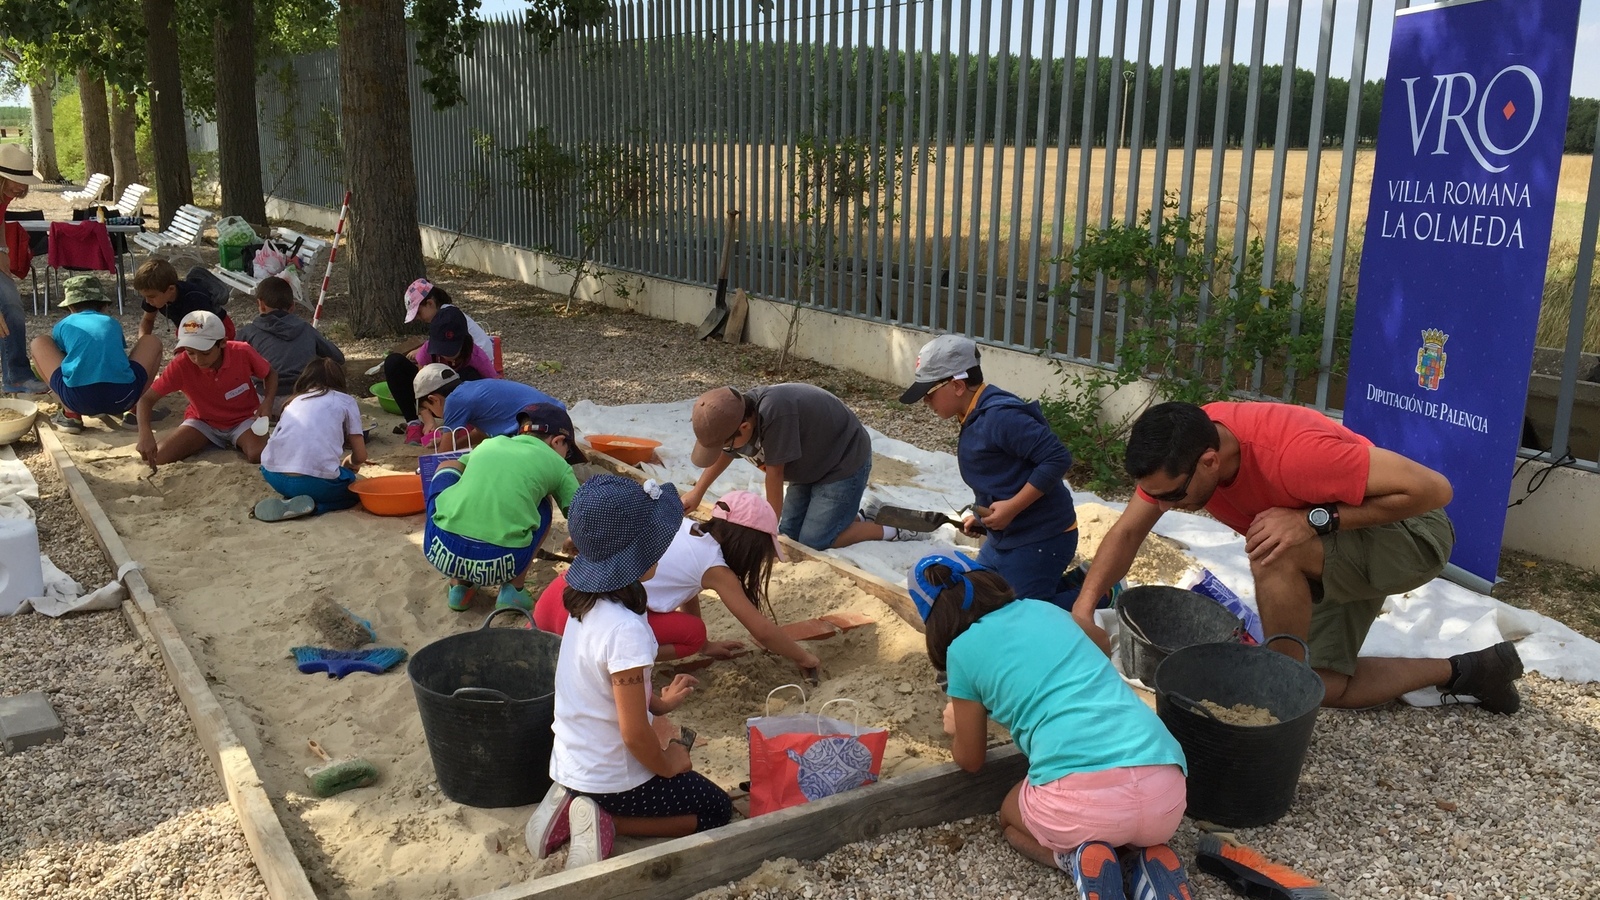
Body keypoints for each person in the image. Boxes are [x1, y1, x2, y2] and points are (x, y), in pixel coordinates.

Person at [1072, 400, 1526, 714]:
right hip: (1333, 541)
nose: (1164, 506)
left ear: (1210, 460)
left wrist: (1314, 520)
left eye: (1172, 495)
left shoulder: (1293, 455)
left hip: (1408, 532)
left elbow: (1434, 491)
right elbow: (1129, 530)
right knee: (1325, 686)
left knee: (1272, 550)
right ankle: (1474, 670)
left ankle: (1276, 697)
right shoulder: (1183, 447)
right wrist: (1084, 609)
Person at [911, 553, 1193, 900]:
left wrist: (958, 724)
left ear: (933, 622)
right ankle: (1144, 861)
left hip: (1083, 804)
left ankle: (1074, 862)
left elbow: (971, 760)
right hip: (1165, 790)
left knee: (1010, 818)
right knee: (1125, 817)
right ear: (990, 581)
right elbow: (1103, 646)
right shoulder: (1042, 608)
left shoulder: (961, 653)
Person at [526, 474, 733, 872]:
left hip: (571, 762)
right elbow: (634, 733)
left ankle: (571, 799)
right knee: (715, 809)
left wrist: (658, 701)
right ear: (636, 555)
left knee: (669, 772)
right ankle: (608, 819)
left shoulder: (582, 603)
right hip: (612, 779)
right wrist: (668, 762)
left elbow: (600, 685)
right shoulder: (627, 629)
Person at [533, 489, 823, 678]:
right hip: (585, 620)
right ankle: (613, 663)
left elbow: (688, 587)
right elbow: (762, 631)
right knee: (692, 635)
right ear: (748, 546)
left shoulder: (685, 527)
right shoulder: (717, 570)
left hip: (557, 599)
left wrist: (708, 646)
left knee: (694, 634)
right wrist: (804, 656)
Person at [900, 334, 1083, 607]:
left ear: (958, 386)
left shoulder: (1001, 416)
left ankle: (1099, 592)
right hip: (1008, 535)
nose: (926, 402)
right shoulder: (973, 413)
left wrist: (1011, 509)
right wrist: (983, 517)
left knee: (1021, 613)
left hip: (1043, 535)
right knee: (983, 597)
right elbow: (1004, 475)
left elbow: (1057, 458)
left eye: (929, 394)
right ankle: (1069, 582)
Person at [683, 384, 918, 550]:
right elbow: (726, 453)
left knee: (816, 541)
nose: (725, 450)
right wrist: (698, 492)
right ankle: (861, 514)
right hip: (809, 466)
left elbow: (774, 475)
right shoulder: (735, 414)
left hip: (842, 461)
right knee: (791, 535)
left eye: (725, 444)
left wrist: (765, 532)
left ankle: (893, 529)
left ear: (744, 428)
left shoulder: (774, 414)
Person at [424, 402, 584, 612]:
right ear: (558, 441)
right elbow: (581, 515)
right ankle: (513, 591)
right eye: (568, 450)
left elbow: (461, 468)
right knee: (544, 502)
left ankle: (459, 588)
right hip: (504, 562)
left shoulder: (491, 444)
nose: (566, 456)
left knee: (448, 467)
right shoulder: (559, 466)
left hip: (439, 549)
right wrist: (577, 539)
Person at [135, 311, 276, 468]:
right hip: (203, 422)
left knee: (259, 454)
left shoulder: (242, 352)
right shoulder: (181, 365)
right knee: (156, 457)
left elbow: (270, 373)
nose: (198, 359)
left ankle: (222, 441)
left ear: (222, 343)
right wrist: (145, 434)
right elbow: (146, 399)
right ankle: (209, 441)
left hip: (244, 419)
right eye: (191, 353)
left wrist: (268, 402)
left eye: (205, 353)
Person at [31, 275, 162, 433]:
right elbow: (115, 353)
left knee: (38, 342)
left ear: (70, 307)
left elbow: (64, 356)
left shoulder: (63, 325)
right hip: (123, 397)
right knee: (151, 341)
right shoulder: (111, 322)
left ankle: (70, 415)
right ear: (104, 306)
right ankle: (135, 409)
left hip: (78, 399)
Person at [381, 278, 497, 442]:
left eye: (418, 313)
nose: (418, 318)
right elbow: (422, 383)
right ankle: (415, 423)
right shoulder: (437, 332)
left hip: (464, 380)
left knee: (467, 377)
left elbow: (492, 385)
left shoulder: (460, 330)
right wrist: (428, 419)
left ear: (429, 303)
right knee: (394, 363)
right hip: (441, 382)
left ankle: (462, 426)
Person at [254, 358, 367, 522]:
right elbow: (361, 456)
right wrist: (349, 463)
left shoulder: (293, 402)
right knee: (353, 491)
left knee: (305, 480)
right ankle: (316, 507)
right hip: (314, 484)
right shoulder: (346, 401)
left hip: (273, 475)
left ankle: (292, 499)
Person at [237, 274, 344, 415]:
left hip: (262, 401)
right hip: (302, 400)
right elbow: (338, 358)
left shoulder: (247, 333)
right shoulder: (306, 329)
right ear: (292, 306)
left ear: (261, 304)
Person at [0, 144, 47, 394]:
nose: (21, 187)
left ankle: (16, 376)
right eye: (17, 181)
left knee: (11, 306)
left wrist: (3, 251)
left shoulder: (4, 194)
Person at [422, 377, 564, 453]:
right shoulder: (470, 390)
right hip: (558, 418)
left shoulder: (454, 400)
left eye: (430, 410)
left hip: (540, 427)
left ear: (434, 399)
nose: (435, 415)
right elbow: (482, 433)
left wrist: (427, 469)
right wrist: (455, 445)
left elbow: (443, 455)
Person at [132, 258, 235, 341]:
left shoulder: (194, 299)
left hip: (218, 329)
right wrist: (143, 342)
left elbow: (205, 333)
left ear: (171, 289)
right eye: (144, 296)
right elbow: (148, 319)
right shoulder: (154, 296)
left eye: (150, 296)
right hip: (189, 327)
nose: (147, 301)